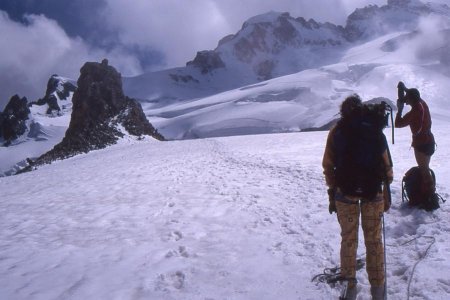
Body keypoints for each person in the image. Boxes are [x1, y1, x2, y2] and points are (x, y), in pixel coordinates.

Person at [322, 95, 393, 300]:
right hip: (373, 193)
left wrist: (333, 189)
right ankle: (378, 292)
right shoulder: (373, 129)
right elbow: (386, 165)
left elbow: (328, 165)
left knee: (349, 240)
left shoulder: (337, 130)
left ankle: (349, 291)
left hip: (345, 193)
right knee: (374, 242)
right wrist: (385, 190)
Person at [395, 85, 435, 194]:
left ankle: (430, 197)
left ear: (411, 99)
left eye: (407, 97)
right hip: (430, 141)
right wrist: (406, 89)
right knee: (425, 168)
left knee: (424, 170)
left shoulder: (413, 113)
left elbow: (398, 124)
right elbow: (415, 95)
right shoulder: (423, 104)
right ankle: (426, 192)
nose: (405, 99)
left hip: (421, 143)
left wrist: (399, 110)